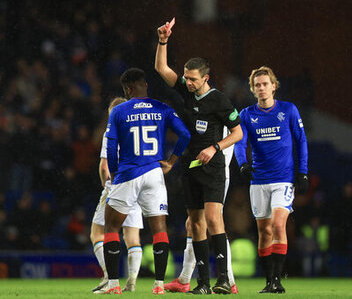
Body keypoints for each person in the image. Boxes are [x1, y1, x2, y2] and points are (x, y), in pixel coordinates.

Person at [155, 20, 243, 294]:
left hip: (213, 165)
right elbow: (161, 68)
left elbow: (238, 133)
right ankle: (203, 282)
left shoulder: (220, 101)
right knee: (194, 223)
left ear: (206, 78)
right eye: (186, 77)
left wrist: (215, 147)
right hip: (189, 165)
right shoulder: (186, 90)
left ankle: (224, 280)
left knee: (215, 218)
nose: (188, 82)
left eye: (193, 79)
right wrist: (163, 40)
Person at [100, 68, 190, 295]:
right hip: (154, 173)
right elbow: (186, 135)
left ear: (128, 89)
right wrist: (171, 161)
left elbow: (111, 146)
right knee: (159, 229)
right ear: (145, 85)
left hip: (129, 173)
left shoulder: (119, 111)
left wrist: (115, 171)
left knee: (111, 226)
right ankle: (159, 284)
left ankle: (113, 285)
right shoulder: (162, 108)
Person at [234, 66, 309, 293]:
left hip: (283, 180)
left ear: (274, 86)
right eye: (257, 85)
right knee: (264, 231)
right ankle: (269, 281)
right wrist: (243, 164)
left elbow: (301, 141)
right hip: (259, 180)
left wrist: (303, 171)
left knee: (278, 224)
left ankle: (277, 280)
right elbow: (239, 142)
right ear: (253, 89)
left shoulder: (288, 110)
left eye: (265, 84)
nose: (262, 88)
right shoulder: (246, 115)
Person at [163, 129, 238, 294]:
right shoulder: (219, 111)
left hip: (216, 172)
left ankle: (230, 281)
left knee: (212, 221)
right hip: (208, 170)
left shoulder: (219, 111)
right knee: (193, 223)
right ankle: (184, 279)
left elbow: (234, 137)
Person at [90, 97, 144, 293]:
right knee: (132, 236)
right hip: (137, 184)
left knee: (98, 232)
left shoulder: (111, 131)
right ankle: (132, 281)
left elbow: (104, 166)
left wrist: (106, 184)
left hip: (117, 185)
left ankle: (108, 276)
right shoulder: (135, 130)